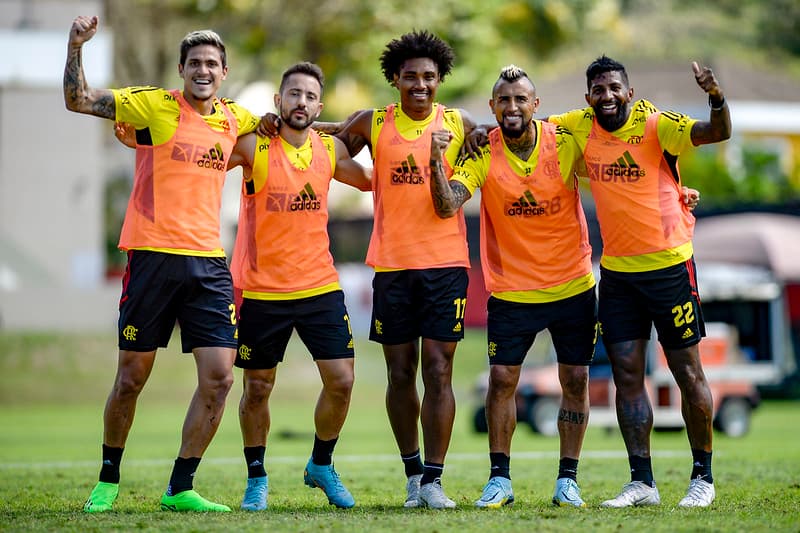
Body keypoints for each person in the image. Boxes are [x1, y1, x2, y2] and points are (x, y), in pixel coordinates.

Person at [64, 16, 259, 512]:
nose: (203, 70)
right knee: (131, 378)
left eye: (212, 63)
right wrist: (76, 46)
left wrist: (335, 128)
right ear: (181, 69)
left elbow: (292, 127)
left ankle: (181, 486)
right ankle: (108, 479)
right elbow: (79, 99)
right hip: (152, 258)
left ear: (224, 72)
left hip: (209, 265)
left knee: (220, 378)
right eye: (194, 63)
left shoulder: (235, 117)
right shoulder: (154, 105)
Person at [548, 55, 731, 508]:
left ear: (629, 92)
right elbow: (526, 125)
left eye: (615, 88)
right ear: (588, 97)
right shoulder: (578, 125)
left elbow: (717, 132)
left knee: (687, 371)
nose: (607, 96)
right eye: (599, 90)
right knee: (626, 375)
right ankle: (642, 483)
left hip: (670, 269)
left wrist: (715, 97)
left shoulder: (658, 124)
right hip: (617, 275)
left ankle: (703, 478)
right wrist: (479, 133)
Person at [310, 30, 481, 509]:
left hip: (446, 265)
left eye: (429, 76)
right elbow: (323, 146)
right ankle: (412, 474)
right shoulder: (373, 122)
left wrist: (482, 133)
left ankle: (434, 481)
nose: (420, 84)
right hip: (392, 266)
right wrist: (293, 125)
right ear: (395, 79)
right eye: (411, 76)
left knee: (439, 370)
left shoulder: (459, 122)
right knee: (401, 373)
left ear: (440, 79)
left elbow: (497, 137)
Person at [430, 65, 595, 509]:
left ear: (535, 104)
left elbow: (613, 172)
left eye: (521, 99)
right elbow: (447, 205)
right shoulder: (483, 150)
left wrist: (676, 191)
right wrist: (434, 159)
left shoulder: (564, 142)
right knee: (502, 380)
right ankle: (499, 480)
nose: (512, 106)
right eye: (504, 100)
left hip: (572, 284)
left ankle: (568, 481)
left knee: (576, 378)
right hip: (512, 291)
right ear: (492, 106)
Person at [226, 62, 371, 511]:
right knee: (257, 388)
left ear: (319, 107)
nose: (301, 102)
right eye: (293, 94)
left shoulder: (329, 149)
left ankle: (321, 464)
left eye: (309, 96)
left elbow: (370, 180)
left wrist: (376, 133)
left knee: (342, 380)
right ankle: (256, 478)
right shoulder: (254, 146)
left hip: (319, 286)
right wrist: (251, 123)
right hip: (263, 291)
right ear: (279, 101)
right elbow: (208, 155)